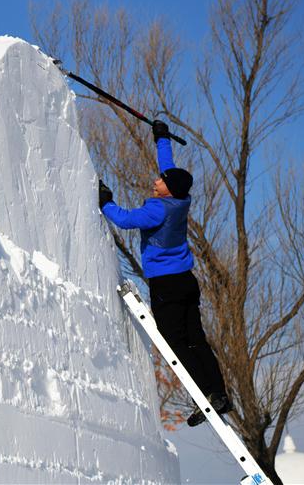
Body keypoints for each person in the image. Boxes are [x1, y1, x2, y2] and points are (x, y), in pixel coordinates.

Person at [98, 120, 231, 427]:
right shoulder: (180, 199)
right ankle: (218, 394)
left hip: (167, 286)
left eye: (160, 180)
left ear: (168, 189)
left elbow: (126, 220)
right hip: (186, 282)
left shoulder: (158, 209)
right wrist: (162, 138)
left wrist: (106, 202)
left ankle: (205, 398)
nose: (155, 180)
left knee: (175, 342)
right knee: (196, 340)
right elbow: (170, 167)